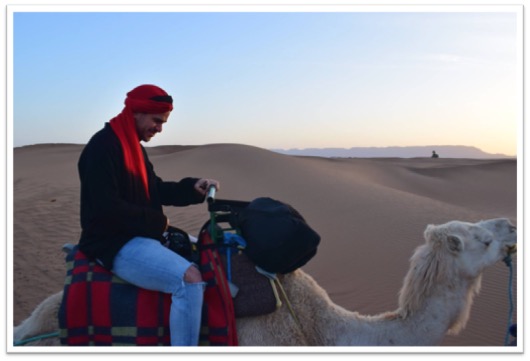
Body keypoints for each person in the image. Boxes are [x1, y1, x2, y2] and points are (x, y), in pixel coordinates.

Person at [77, 84, 219, 346]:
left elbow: (154, 189)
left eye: (163, 122)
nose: (159, 128)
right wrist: (157, 222)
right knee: (189, 279)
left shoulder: (133, 147)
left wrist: (192, 188)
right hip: (113, 242)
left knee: (210, 252)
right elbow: (105, 208)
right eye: (156, 121)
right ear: (137, 112)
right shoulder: (103, 147)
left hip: (142, 233)